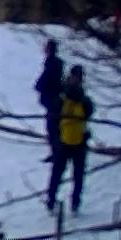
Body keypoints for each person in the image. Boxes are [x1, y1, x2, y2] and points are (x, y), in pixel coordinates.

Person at [46, 65, 94, 215]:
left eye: (79, 78)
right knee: (57, 174)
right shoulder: (61, 98)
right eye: (75, 77)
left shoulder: (84, 100)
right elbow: (52, 121)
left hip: (79, 143)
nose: (77, 80)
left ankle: (75, 204)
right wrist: (54, 140)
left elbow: (88, 115)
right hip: (63, 142)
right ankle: (51, 201)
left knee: (78, 176)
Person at [34, 39, 63, 161]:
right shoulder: (53, 63)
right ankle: (57, 152)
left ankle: (57, 154)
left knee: (53, 128)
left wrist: (39, 85)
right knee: (53, 128)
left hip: (53, 101)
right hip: (51, 100)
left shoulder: (53, 64)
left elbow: (46, 80)